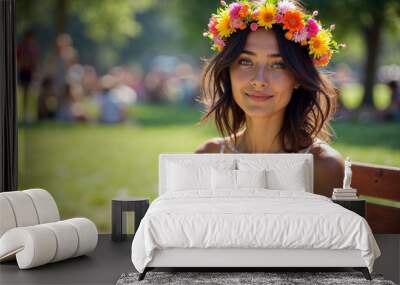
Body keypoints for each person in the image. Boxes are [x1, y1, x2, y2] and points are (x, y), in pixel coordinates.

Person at [195, 0, 345, 197]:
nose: (259, 80)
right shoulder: (207, 156)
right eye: (246, 61)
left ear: (298, 77)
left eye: (278, 65)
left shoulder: (323, 166)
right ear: (228, 70)